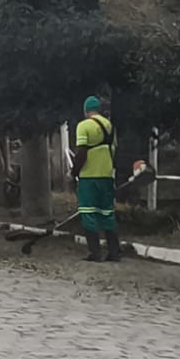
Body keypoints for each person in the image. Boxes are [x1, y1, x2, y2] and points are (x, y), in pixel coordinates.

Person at [72, 95, 121, 261]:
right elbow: (113, 151)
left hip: (89, 176)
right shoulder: (110, 126)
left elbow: (82, 152)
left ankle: (95, 253)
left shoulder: (84, 126)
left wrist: (74, 172)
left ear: (85, 111)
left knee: (88, 212)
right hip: (106, 175)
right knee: (107, 212)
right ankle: (114, 252)